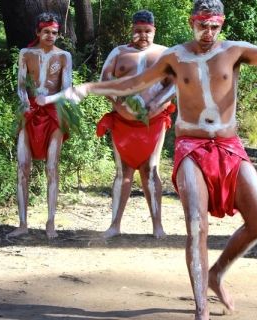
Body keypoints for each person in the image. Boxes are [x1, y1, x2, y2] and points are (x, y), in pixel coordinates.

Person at [41, 1, 257, 318]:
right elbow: (133, 83)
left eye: (215, 26)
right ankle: (200, 308)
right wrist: (88, 88)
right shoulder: (175, 56)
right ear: (192, 22)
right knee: (196, 225)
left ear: (222, 23)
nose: (208, 32)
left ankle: (217, 273)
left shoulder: (234, 50)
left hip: (228, 145)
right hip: (191, 145)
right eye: (203, 25)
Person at [97, 10, 175, 239]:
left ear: (154, 31)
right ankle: (114, 225)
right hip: (122, 121)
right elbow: (104, 81)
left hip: (154, 120)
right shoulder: (119, 53)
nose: (142, 35)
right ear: (131, 31)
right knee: (123, 172)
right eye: (138, 31)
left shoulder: (164, 54)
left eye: (147, 31)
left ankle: (157, 226)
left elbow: (174, 85)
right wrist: (119, 102)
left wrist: (157, 104)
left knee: (150, 169)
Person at [7, 12, 72, 239]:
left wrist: (50, 100)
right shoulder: (26, 53)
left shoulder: (64, 56)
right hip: (29, 111)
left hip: (53, 113)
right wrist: (25, 102)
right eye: (46, 31)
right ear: (38, 32)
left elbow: (67, 89)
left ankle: (51, 223)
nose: (51, 36)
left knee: (52, 168)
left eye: (54, 32)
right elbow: (21, 85)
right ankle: (23, 223)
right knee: (22, 167)